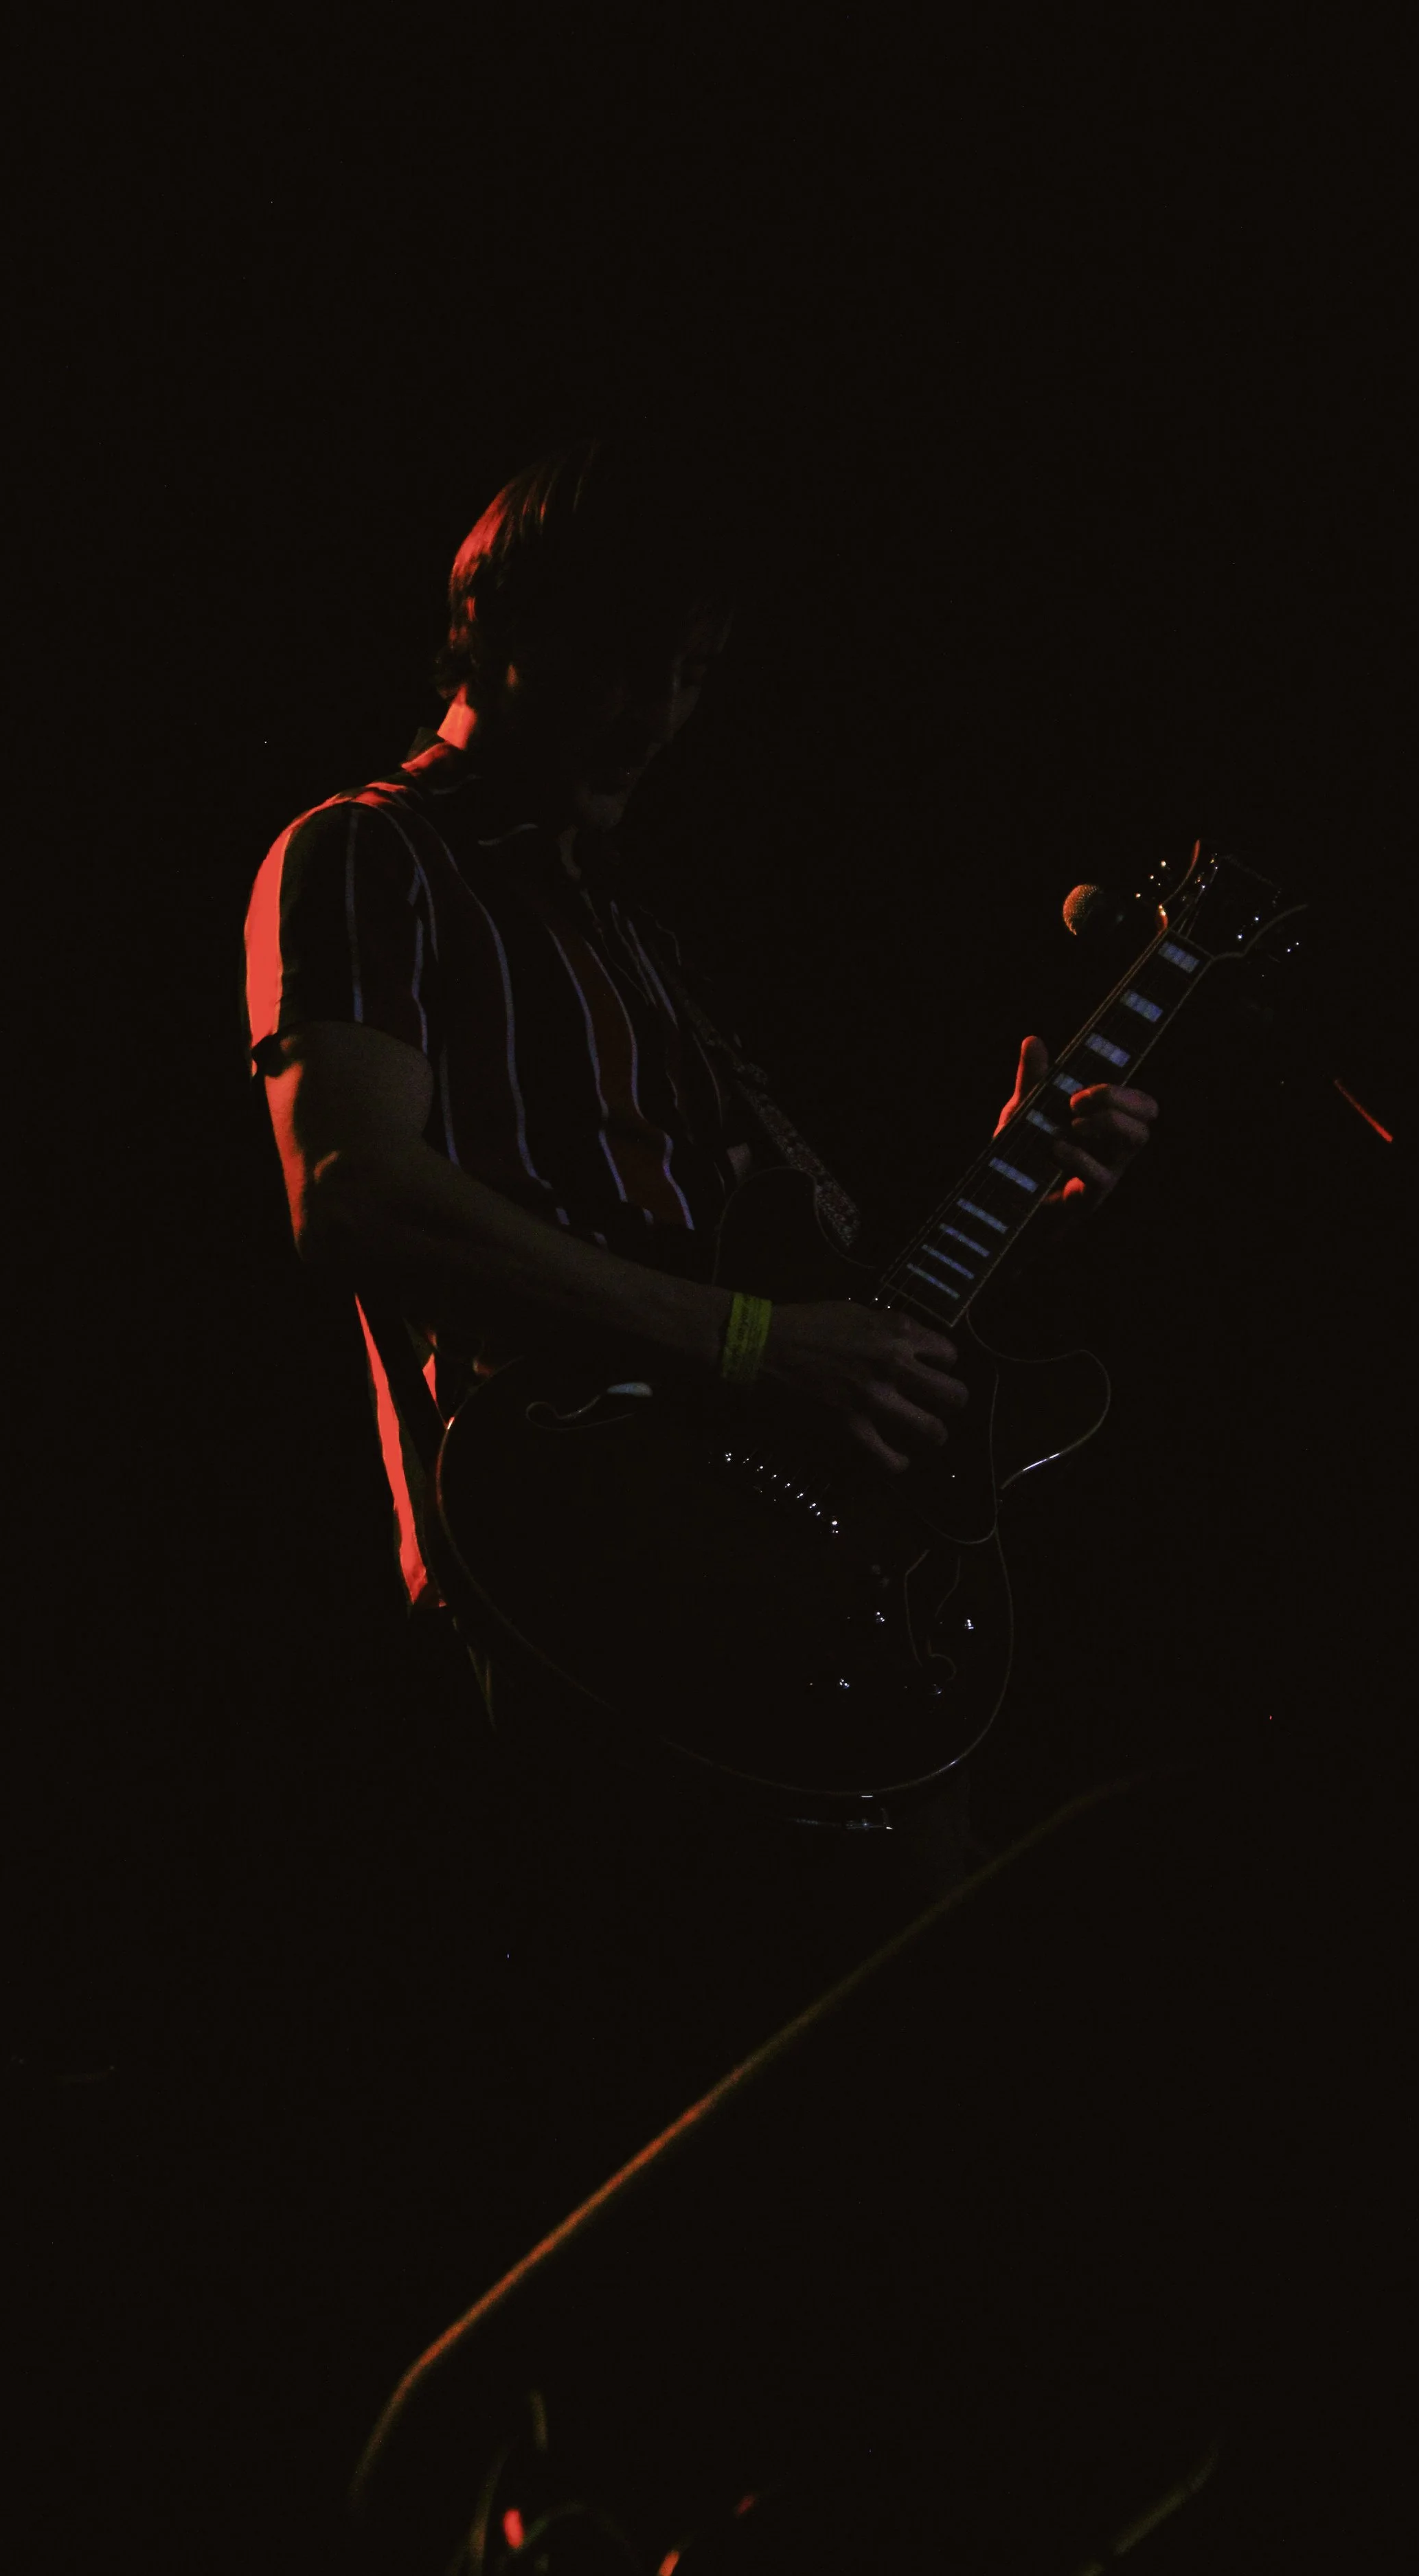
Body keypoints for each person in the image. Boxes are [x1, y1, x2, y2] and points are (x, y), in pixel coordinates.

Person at [242, 429, 1159, 2211]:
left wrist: (1017, 1178)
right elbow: (350, 1190)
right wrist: (751, 1346)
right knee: (650, 2122)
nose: (659, 710)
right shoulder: (364, 856)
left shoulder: (635, 938)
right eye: (624, 656)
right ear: (495, 634)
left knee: (904, 2116)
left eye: (689, 671)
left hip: (768, 1574)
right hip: (564, 1569)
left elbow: (796, 1284)